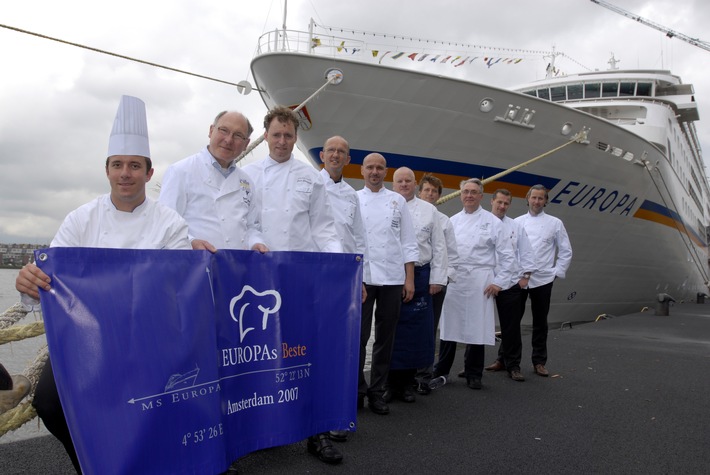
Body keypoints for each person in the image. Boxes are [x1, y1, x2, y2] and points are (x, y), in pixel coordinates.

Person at [15, 96, 191, 474]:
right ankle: (92, 465)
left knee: (153, 408)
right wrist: (29, 281)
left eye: (134, 165)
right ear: (106, 170)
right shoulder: (81, 219)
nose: (125, 173)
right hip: (88, 341)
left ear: (148, 171)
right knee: (48, 402)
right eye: (117, 165)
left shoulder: (171, 224)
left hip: (148, 340)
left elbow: (175, 290)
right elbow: (48, 280)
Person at [243, 107, 343, 465]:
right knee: (262, 358)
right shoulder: (247, 175)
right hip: (259, 281)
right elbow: (246, 224)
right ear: (265, 136)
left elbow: (324, 229)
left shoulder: (311, 177)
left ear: (295, 137)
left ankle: (316, 434)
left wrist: (338, 264)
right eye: (276, 135)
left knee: (305, 357)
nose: (282, 141)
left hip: (301, 281)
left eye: (288, 135)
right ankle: (266, 428)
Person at [432, 179, 514, 390]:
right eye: (466, 192)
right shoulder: (453, 221)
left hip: (481, 279)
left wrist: (499, 282)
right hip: (456, 278)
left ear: (481, 196)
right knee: (450, 326)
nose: (469, 195)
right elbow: (443, 252)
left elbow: (507, 255)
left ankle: (473, 373)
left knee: (477, 327)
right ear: (460, 195)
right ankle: (441, 370)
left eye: (474, 192)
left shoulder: (493, 222)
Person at [357, 153, 418, 415]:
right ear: (361, 171)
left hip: (393, 277)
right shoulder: (354, 199)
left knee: (385, 338)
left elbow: (408, 241)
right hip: (363, 278)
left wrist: (410, 278)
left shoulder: (397, 201)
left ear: (385, 172)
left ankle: (377, 391)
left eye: (379, 168)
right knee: (359, 337)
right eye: (370, 167)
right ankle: (357, 390)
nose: (374, 171)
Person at [159, 111, 268, 253]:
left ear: (246, 143)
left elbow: (251, 226)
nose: (228, 140)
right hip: (195, 267)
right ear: (211, 131)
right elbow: (165, 224)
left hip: (237, 268)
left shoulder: (246, 181)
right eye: (224, 130)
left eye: (238, 135)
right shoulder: (180, 171)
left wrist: (256, 243)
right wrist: (190, 242)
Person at [318, 136, 367, 442]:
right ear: (322, 155)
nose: (336, 155)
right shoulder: (310, 183)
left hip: (346, 277)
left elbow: (359, 238)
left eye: (342, 152)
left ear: (348, 159)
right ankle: (313, 416)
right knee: (315, 346)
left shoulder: (351, 195)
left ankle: (337, 414)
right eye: (331, 150)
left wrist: (360, 277)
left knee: (343, 347)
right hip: (317, 276)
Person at [388, 167, 447, 402]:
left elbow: (439, 246)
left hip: (422, 275)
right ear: (394, 184)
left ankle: (408, 384)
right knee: (393, 329)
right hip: (391, 275)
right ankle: (390, 384)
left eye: (408, 181)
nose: (404, 184)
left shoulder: (429, 210)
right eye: (399, 181)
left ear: (415, 185)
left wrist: (437, 279)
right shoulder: (387, 204)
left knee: (416, 334)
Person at [514, 184, 572, 377]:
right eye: (534, 198)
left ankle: (539, 361)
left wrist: (556, 271)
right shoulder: (517, 222)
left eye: (541, 198)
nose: (537, 201)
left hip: (543, 279)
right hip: (519, 278)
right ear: (527, 198)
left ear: (546, 201)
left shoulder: (555, 223)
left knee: (540, 322)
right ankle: (505, 359)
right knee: (512, 320)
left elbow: (565, 250)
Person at [483, 189, 537, 381]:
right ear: (492, 201)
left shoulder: (515, 226)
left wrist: (525, 277)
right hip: (485, 281)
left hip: (509, 282)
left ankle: (512, 365)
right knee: (478, 323)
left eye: (506, 203)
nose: (502, 206)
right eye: (499, 202)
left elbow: (527, 252)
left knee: (511, 327)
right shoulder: (481, 222)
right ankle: (472, 365)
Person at [415, 174, 458, 392]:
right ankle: (404, 374)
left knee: (429, 329)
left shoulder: (444, 222)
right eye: (426, 190)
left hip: (436, 282)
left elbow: (452, 255)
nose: (430, 194)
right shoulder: (407, 215)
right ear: (419, 192)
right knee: (407, 327)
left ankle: (424, 376)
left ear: (440, 196)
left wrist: (441, 280)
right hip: (412, 278)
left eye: (434, 191)